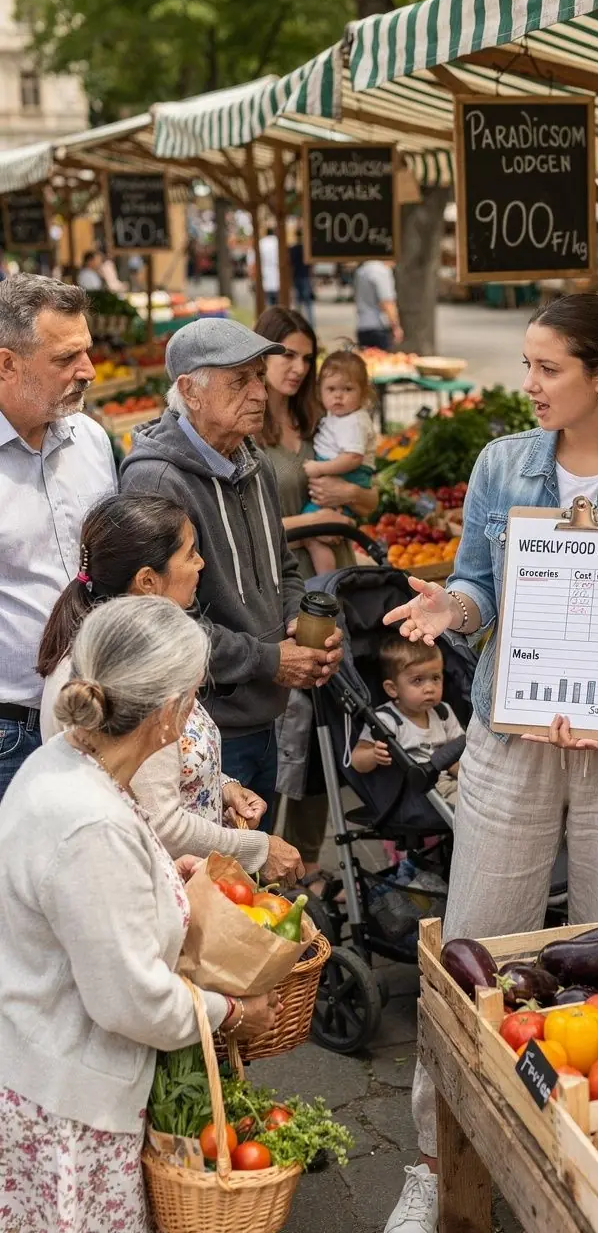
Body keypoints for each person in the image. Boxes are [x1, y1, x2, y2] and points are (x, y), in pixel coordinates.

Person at [379, 293, 598, 1233]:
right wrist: (452, 608)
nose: (527, 384)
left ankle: (594, 1149)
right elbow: (480, 588)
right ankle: (435, 1157)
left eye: (547, 368)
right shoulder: (503, 464)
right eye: (526, 364)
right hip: (515, 734)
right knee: (476, 940)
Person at [0, 594, 280, 1233]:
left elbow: (100, 918)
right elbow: (129, 998)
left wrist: (174, 889)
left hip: (36, 1074)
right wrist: (231, 1013)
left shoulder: (64, 765)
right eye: (194, 695)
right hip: (73, 1107)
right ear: (167, 713)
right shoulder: (88, 821)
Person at [120, 317, 343, 831]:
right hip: (203, 729)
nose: (260, 392)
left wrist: (300, 623)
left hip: (266, 713)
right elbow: (163, 624)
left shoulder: (252, 461)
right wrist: (270, 660)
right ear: (189, 391)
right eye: (239, 380)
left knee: (257, 866)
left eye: (259, 376)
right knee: (218, 871)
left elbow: (284, 565)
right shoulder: (157, 479)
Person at [38, 495, 304, 889]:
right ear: (148, 580)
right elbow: (161, 822)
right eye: (190, 553)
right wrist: (259, 849)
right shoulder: (130, 670)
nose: (201, 563)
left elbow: (158, 771)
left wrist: (221, 786)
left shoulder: (119, 645)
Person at [255, 305, 378, 885]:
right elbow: (245, 530)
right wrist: (309, 523)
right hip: (280, 590)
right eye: (286, 353)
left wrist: (350, 499)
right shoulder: (247, 430)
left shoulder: (324, 421)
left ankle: (306, 857)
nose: (298, 367)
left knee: (327, 717)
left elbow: (370, 501)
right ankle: (263, 856)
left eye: (307, 357)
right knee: (288, 724)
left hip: (332, 580)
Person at [0, 273, 116, 802]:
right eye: (66, 358)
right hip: (10, 732)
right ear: (7, 364)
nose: (87, 370)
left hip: (96, 716)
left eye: (87, 351)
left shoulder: (90, 439)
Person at [351, 637, 463, 804]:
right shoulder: (385, 720)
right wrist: (373, 755)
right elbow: (356, 760)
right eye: (418, 680)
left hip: (447, 786)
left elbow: (458, 753)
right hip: (413, 795)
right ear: (392, 688)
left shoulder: (442, 712)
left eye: (435, 678)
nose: (429, 688)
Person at [302, 350, 377, 574]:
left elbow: (353, 458)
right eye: (331, 389)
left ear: (364, 393)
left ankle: (325, 579)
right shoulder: (337, 417)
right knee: (315, 532)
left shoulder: (354, 421)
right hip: (341, 472)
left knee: (311, 532)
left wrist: (319, 468)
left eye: (347, 389)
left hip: (349, 473)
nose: (338, 396)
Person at [354, 260, 403, 351]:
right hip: (379, 326)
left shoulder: (362, 270)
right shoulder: (382, 271)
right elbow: (387, 302)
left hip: (362, 325)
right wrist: (396, 326)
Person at [248, 226, 280, 307]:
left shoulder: (261, 243)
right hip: (278, 277)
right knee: (277, 305)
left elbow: (252, 262)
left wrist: (252, 277)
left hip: (264, 277)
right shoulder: (279, 243)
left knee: (266, 304)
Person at [289, 228, 314, 325]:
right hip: (305, 276)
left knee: (298, 302)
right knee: (308, 302)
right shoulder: (306, 249)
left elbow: (290, 265)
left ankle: (298, 323)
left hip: (296, 276)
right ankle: (311, 323)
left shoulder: (293, 249)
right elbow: (310, 265)